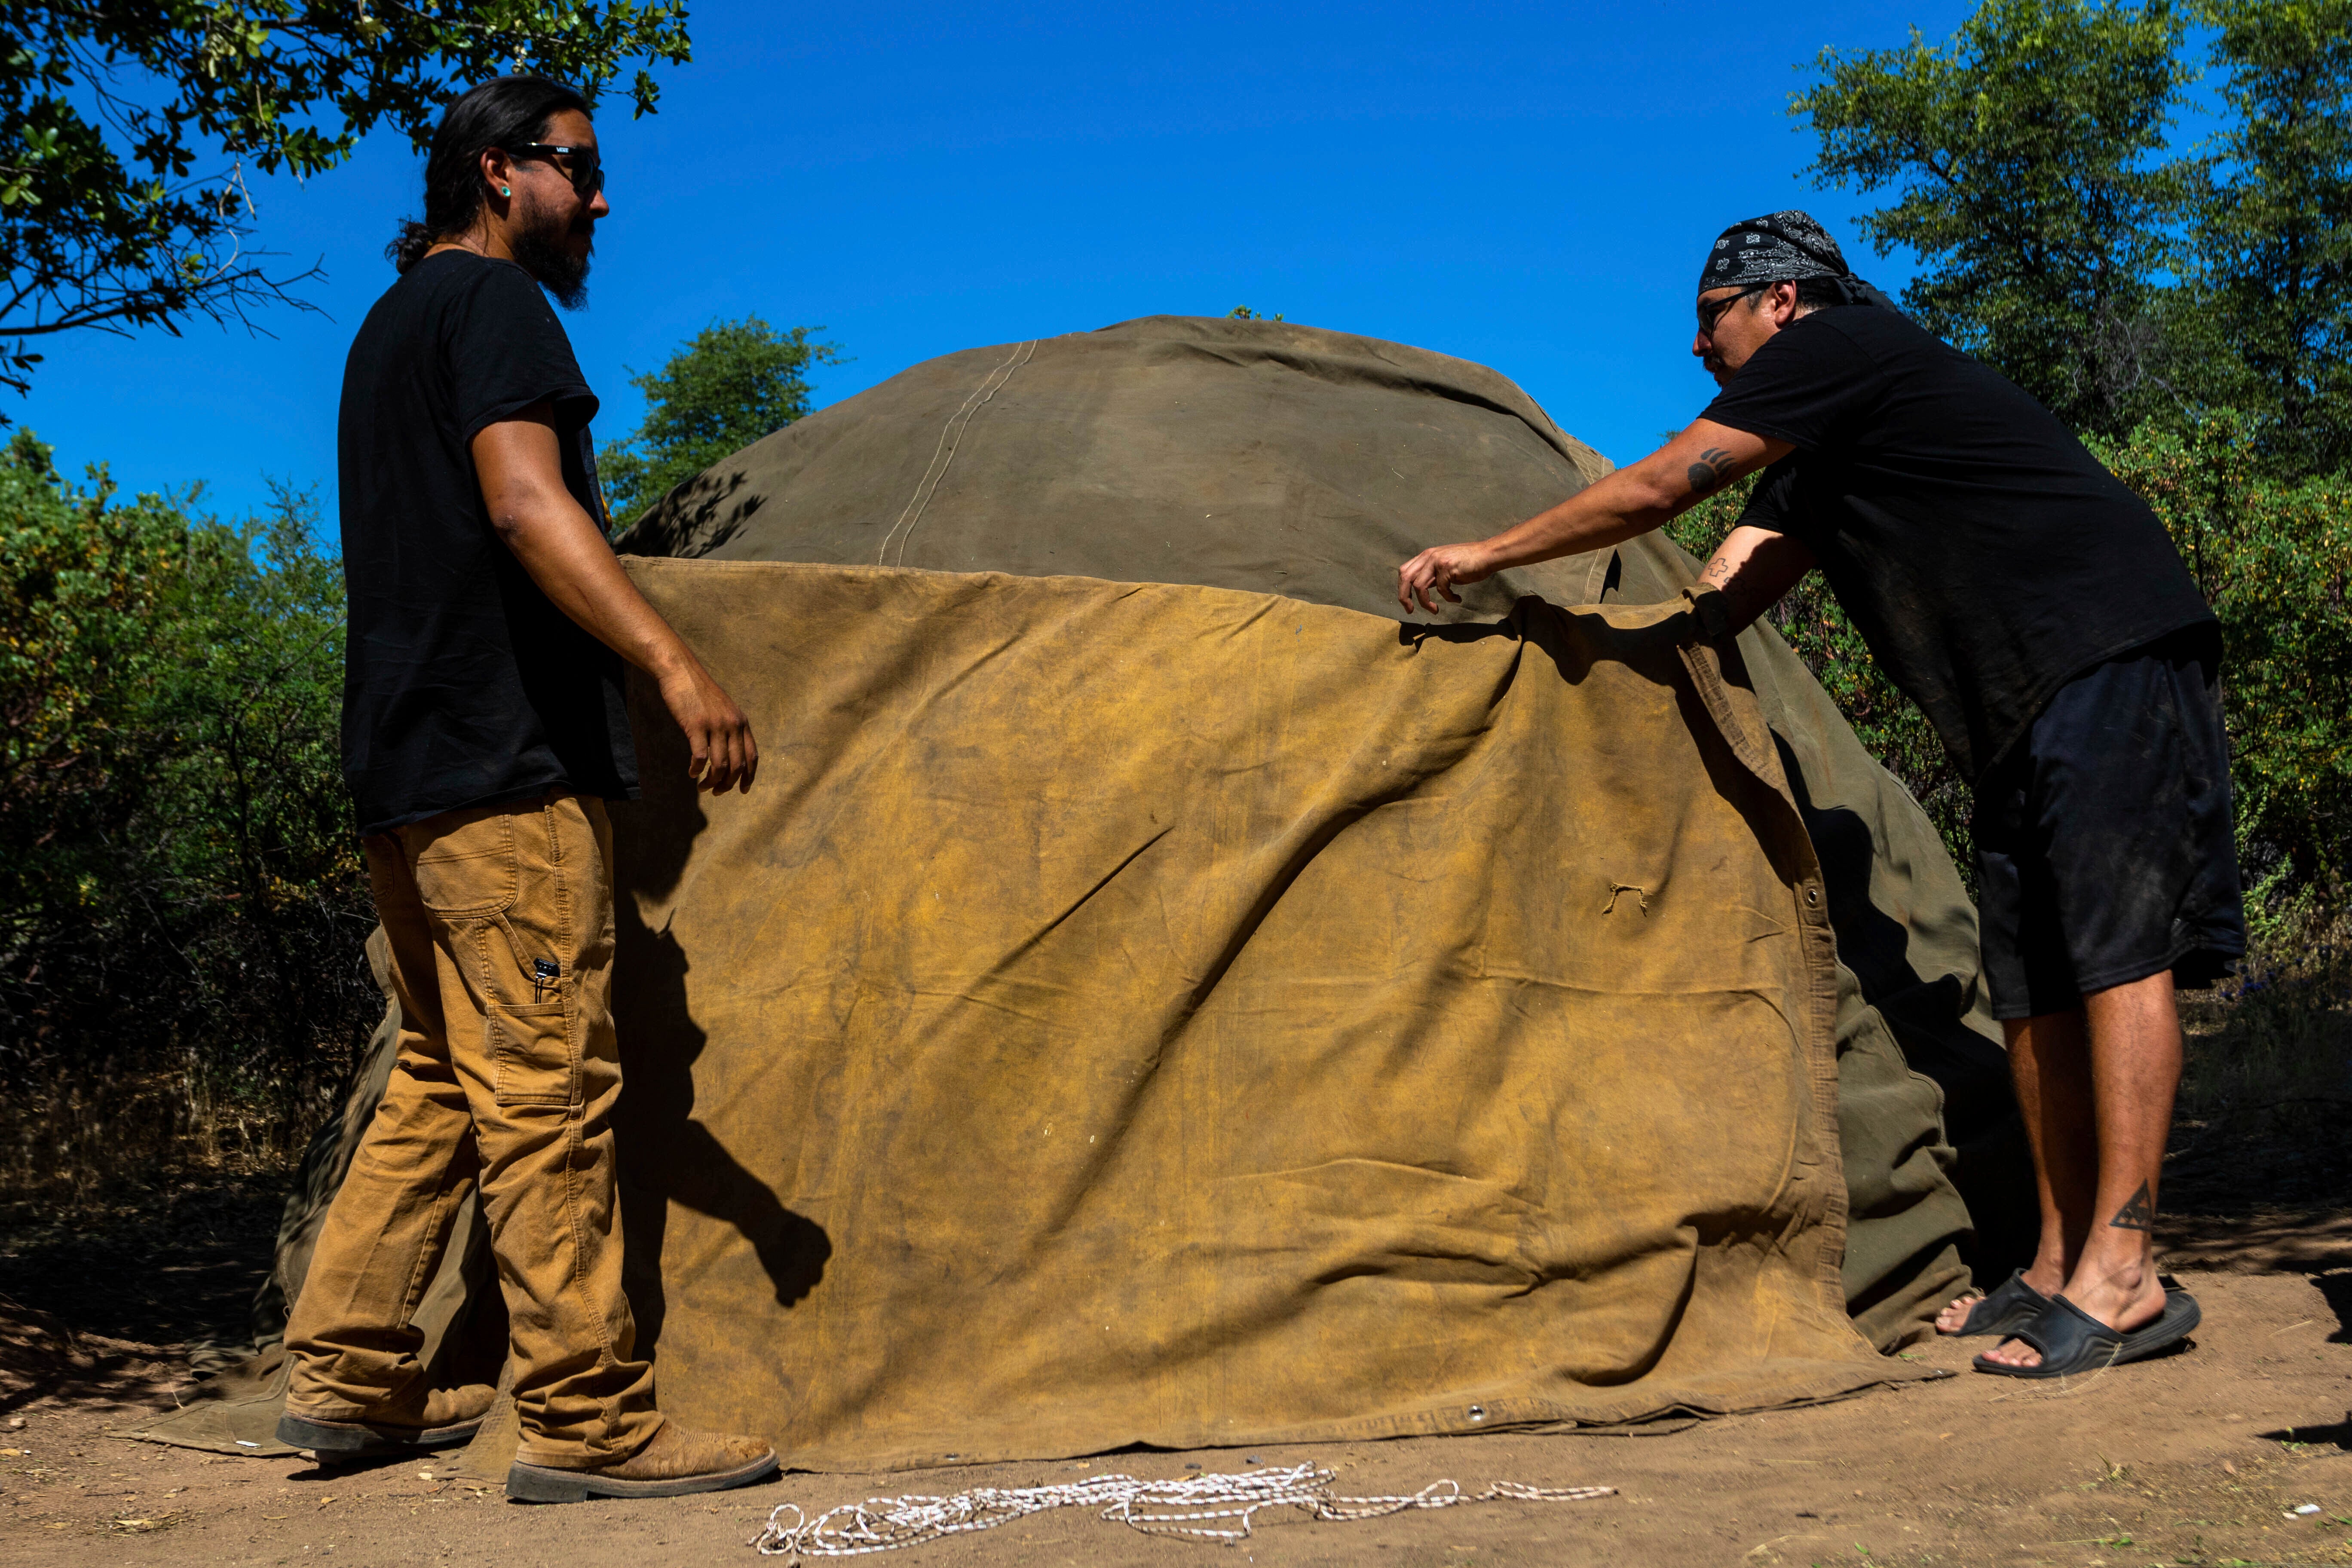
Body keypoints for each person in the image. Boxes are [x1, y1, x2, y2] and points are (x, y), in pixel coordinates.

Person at [1394, 211, 2243, 1380]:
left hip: (2105, 647)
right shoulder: (1824, 441)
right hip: (2016, 703)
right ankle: (2052, 1263)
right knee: (2034, 982)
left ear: (1782, 302)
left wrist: (1484, 557)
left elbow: (1660, 489)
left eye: (1711, 319)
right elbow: (1728, 587)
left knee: (2112, 955)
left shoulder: (1840, 351)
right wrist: (1605, 675)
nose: (1700, 347)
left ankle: (2127, 1270)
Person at [276, 75, 780, 1501]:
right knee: (553, 1088)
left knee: (444, 1070)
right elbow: (524, 501)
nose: (601, 202)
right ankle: (588, 1420)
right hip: (504, 776)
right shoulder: (497, 308)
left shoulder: (389, 329)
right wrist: (676, 669)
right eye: (579, 170)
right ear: (499, 174)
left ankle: (348, 1371)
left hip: (402, 772)